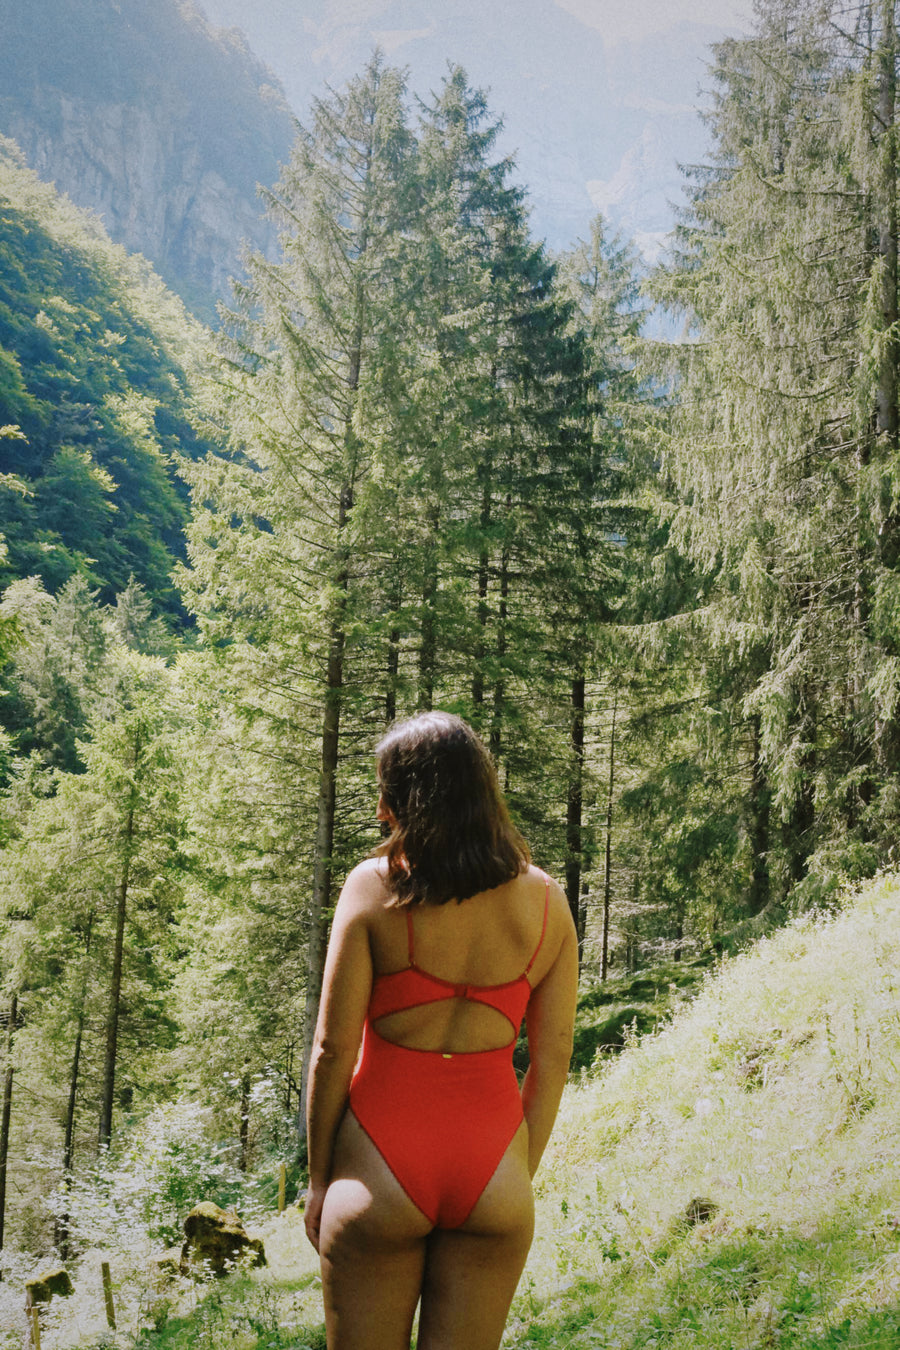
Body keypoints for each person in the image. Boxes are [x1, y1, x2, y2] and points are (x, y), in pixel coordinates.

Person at [304, 711, 579, 1350]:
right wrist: (515, 1170)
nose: (378, 809)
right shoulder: (545, 902)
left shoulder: (373, 890)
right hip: (493, 1171)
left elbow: (331, 1050)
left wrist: (321, 1182)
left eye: (386, 795)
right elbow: (555, 1054)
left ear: (402, 804)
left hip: (379, 1169)